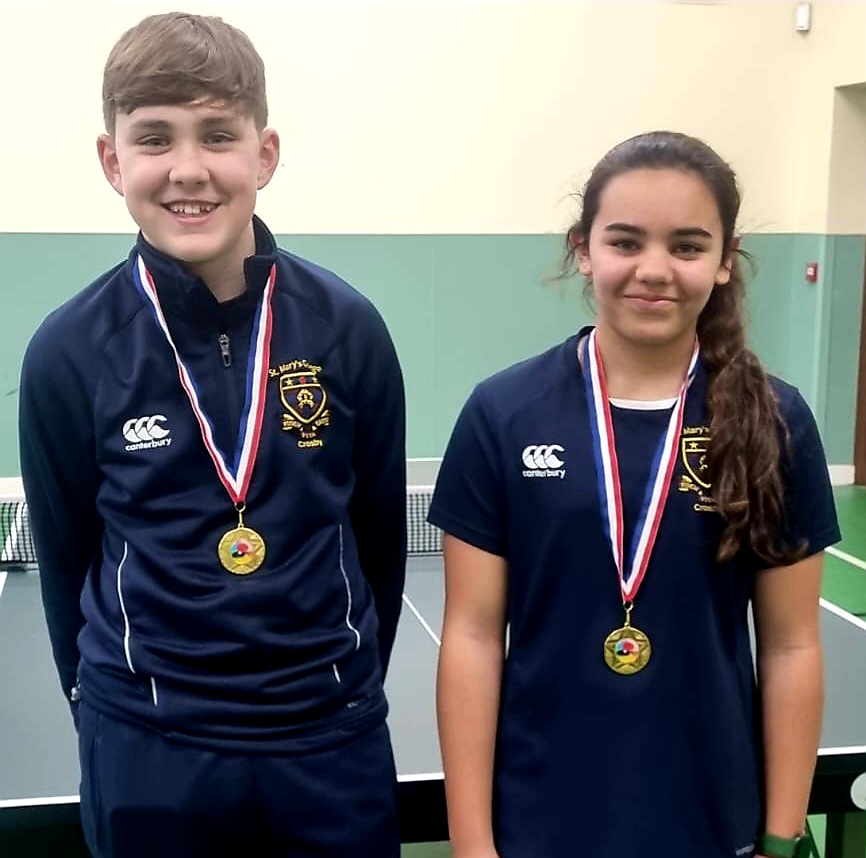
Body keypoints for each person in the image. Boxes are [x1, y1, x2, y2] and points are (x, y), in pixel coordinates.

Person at [19, 12, 406, 858]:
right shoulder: (68, 351)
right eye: (154, 139)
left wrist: (341, 690)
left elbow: (380, 538)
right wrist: (108, 712)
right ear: (112, 160)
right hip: (149, 747)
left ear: (264, 155)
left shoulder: (347, 329)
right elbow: (65, 559)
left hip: (328, 741)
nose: (188, 170)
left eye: (217, 136)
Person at [429, 130, 837, 858]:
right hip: (541, 824)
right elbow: (471, 636)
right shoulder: (502, 413)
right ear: (583, 249)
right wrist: (472, 844)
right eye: (625, 242)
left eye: (686, 246)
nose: (655, 270)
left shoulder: (775, 420)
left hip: (714, 825)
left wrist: (780, 835)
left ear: (723, 261)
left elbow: (791, 646)